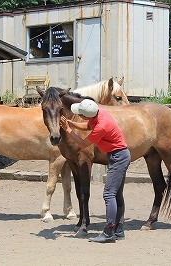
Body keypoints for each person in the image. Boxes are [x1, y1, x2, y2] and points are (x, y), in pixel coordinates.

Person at [60, 99, 131, 243]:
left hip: (118, 157)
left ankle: (109, 232)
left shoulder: (101, 126)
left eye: (80, 114)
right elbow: (87, 125)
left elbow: (82, 143)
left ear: (87, 115)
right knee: (117, 193)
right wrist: (72, 123)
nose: (78, 115)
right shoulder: (100, 114)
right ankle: (119, 230)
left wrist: (68, 130)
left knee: (109, 194)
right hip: (120, 154)